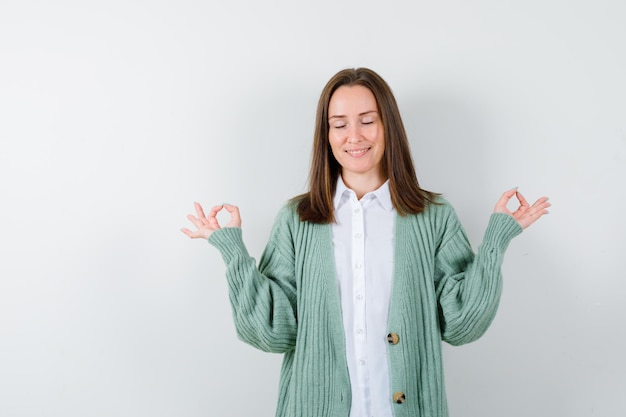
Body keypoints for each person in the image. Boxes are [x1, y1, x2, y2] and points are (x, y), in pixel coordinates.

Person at [182, 67, 550, 417]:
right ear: (326, 136)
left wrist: (496, 241)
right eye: (339, 124)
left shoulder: (433, 216)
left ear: (389, 127)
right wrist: (232, 251)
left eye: (368, 121)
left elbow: (461, 324)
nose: (353, 136)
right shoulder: (297, 219)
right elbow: (271, 331)